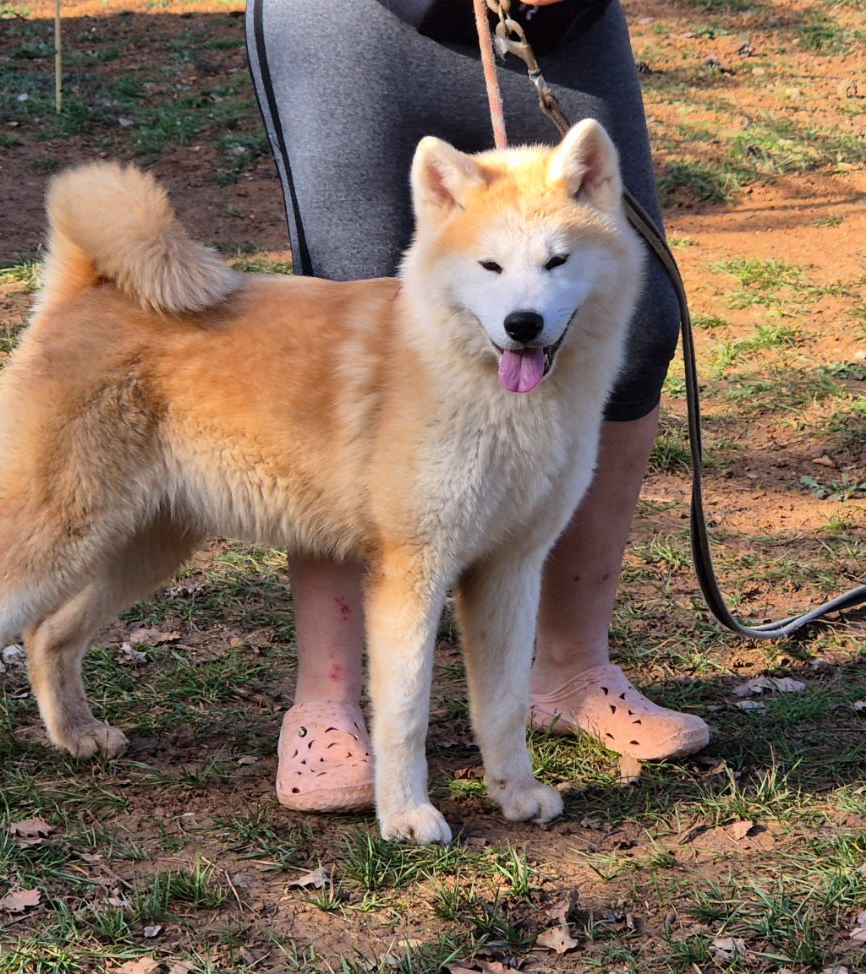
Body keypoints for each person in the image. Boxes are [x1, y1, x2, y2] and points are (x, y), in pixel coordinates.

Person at [245, 0, 710, 814]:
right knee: (356, 305)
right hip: (355, 23)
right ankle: (327, 702)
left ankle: (571, 666)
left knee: (643, 321)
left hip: (561, 23)